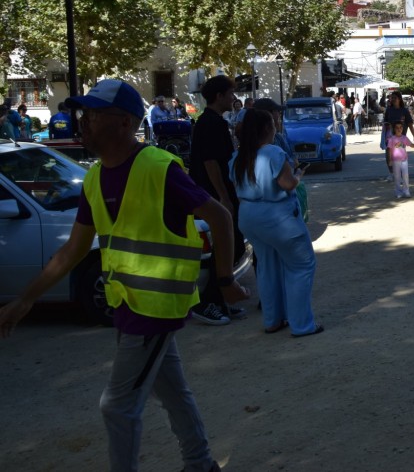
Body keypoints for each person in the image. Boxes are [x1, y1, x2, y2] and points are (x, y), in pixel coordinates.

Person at [0, 79, 248, 472]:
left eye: (93, 115)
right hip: (128, 304)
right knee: (172, 392)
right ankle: (200, 463)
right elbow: (72, 250)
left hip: (153, 309)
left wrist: (224, 279)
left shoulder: (157, 167)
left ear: (122, 122)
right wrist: (26, 299)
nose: (82, 123)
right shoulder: (96, 179)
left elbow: (219, 215)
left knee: (117, 406)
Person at [229, 109, 320, 337]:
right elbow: (288, 184)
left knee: (267, 268)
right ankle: (301, 324)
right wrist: (298, 176)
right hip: (278, 216)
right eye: (273, 122)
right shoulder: (272, 153)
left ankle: (273, 319)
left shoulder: (237, 156)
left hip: (249, 215)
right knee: (301, 266)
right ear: (267, 129)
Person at [189, 75, 245, 326]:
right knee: (226, 245)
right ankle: (207, 301)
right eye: (231, 93)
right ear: (219, 96)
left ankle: (222, 297)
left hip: (217, 192)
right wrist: (222, 196)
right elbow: (210, 162)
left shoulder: (215, 122)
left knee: (234, 246)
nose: (234, 98)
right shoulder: (210, 123)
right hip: (213, 195)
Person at [381, 92, 414, 178]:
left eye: (395, 98)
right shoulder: (389, 110)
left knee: (399, 154)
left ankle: (399, 172)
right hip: (390, 135)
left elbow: (410, 124)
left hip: (401, 137)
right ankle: (391, 173)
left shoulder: (404, 110)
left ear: (399, 99)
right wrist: (387, 125)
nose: (393, 99)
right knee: (388, 153)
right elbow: (385, 122)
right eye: (392, 98)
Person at [387, 120, 414, 198]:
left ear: (402, 128)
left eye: (400, 127)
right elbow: (389, 150)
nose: (399, 129)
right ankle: (398, 191)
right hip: (395, 161)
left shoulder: (404, 138)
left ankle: (406, 190)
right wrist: (390, 160)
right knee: (397, 176)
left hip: (404, 160)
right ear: (394, 129)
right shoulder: (391, 139)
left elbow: (412, 145)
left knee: (405, 175)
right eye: (397, 128)